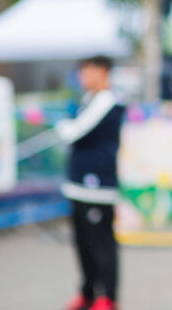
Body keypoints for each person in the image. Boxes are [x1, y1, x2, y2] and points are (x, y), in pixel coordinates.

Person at [58, 55, 126, 310]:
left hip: (99, 188)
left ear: (103, 71)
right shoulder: (88, 100)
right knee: (82, 244)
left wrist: (63, 125)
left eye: (87, 70)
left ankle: (107, 295)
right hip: (77, 186)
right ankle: (87, 292)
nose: (82, 77)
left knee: (101, 245)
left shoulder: (109, 100)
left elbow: (72, 132)